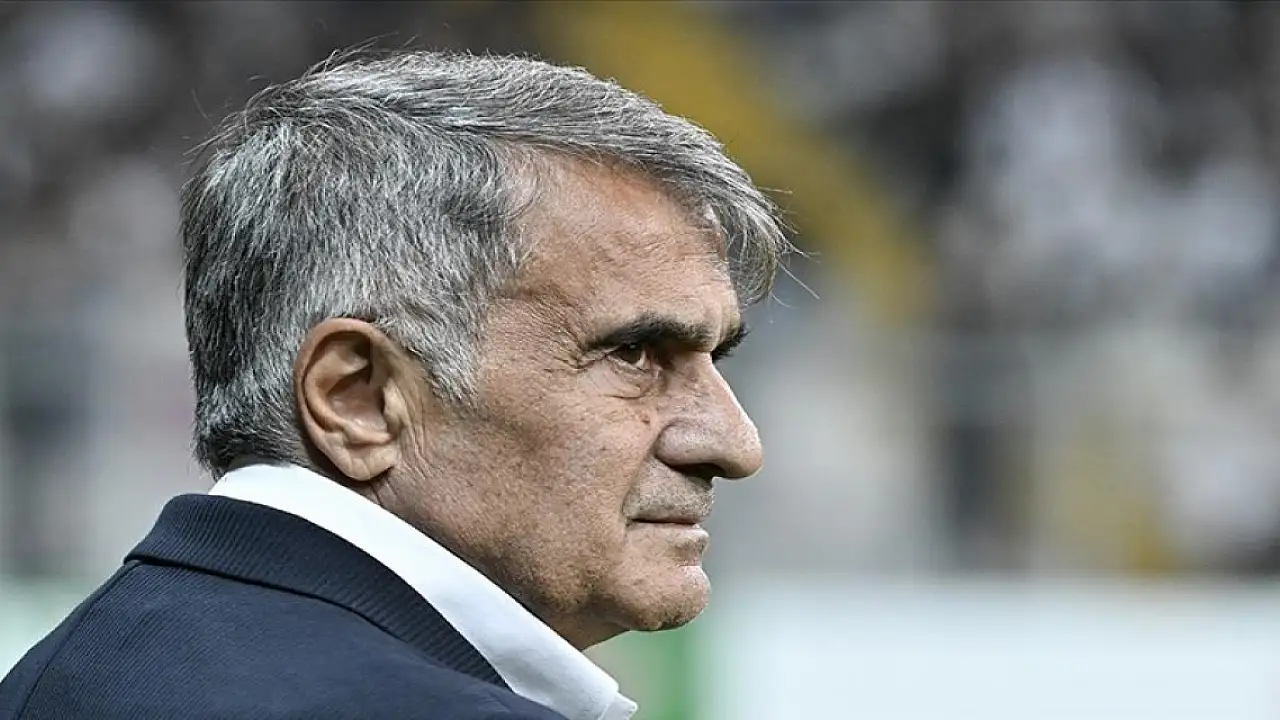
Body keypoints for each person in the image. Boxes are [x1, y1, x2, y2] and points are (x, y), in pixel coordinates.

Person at [0, 49, 790, 720]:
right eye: (635, 354)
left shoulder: (68, 674)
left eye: (715, 360)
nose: (735, 445)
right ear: (359, 400)